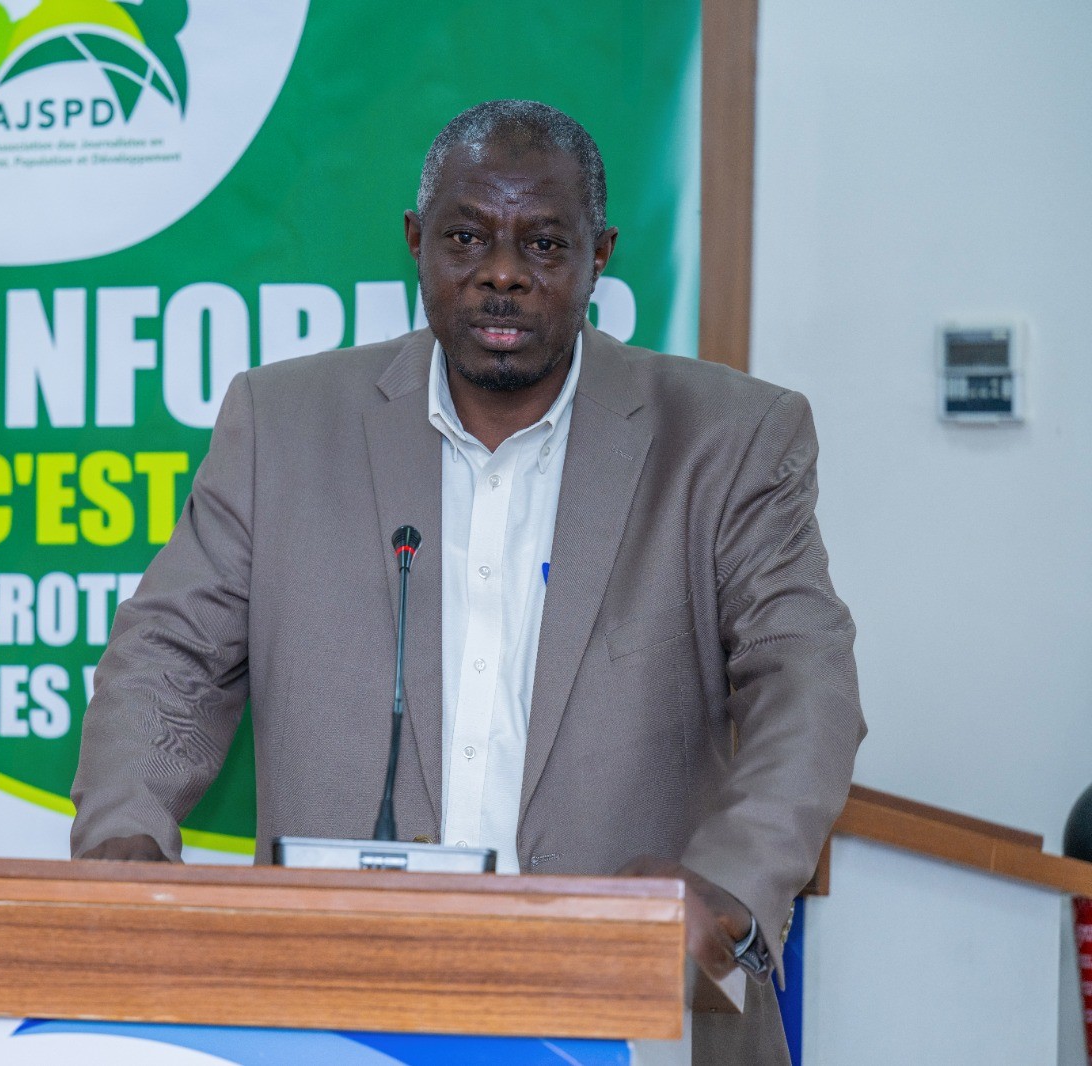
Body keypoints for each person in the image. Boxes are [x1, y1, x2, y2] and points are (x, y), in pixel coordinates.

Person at [70, 100, 865, 1063]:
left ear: (600, 255)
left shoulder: (728, 439)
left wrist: (728, 885)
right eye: (466, 238)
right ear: (416, 243)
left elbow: (805, 683)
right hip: (340, 1016)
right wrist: (124, 841)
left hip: (632, 1010)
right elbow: (169, 658)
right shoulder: (282, 425)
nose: (502, 273)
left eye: (544, 244)